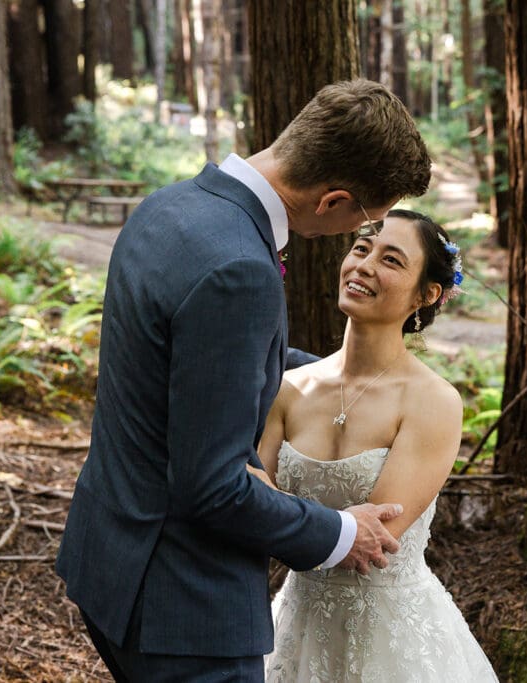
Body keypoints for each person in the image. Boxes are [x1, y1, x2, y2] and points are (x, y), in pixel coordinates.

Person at [55, 79, 433, 682]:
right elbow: (213, 489)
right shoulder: (240, 270)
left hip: (109, 559)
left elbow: (202, 360)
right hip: (184, 610)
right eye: (367, 222)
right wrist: (339, 532)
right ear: (334, 200)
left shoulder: (170, 206)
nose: (357, 240)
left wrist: (350, 380)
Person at [255, 210, 499, 681]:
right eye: (362, 248)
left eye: (391, 259)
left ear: (426, 295)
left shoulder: (433, 401)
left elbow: (375, 541)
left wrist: (269, 506)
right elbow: (248, 505)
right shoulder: (288, 388)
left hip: (391, 637)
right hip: (295, 625)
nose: (364, 265)